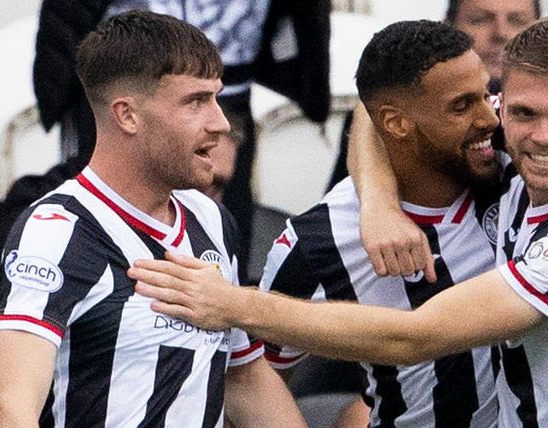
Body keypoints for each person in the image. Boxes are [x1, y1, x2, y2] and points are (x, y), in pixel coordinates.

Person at [129, 17, 548, 428]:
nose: (498, 122)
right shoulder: (323, 237)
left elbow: (416, 337)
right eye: (507, 107)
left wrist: (231, 302)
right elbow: (248, 372)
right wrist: (379, 202)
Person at [0, 11, 307, 428]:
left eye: (216, 97)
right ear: (127, 115)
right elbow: (9, 410)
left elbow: (244, 377)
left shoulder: (210, 218)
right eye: (196, 102)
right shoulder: (56, 230)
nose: (220, 122)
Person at [261, 20, 502, 428]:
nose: (490, 119)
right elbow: (256, 372)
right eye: (462, 106)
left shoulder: (523, 170)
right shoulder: (319, 241)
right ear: (396, 124)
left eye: (488, 95)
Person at [33, 0, 331, 280]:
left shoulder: (220, 122)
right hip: (130, 98)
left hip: (235, 87)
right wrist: (60, 90)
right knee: (104, 226)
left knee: (223, 232)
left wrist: (307, 76)